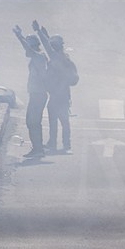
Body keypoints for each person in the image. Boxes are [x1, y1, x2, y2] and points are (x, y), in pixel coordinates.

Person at [33, 20, 78, 154]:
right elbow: (49, 45)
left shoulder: (56, 57)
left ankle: (59, 143)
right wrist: (44, 34)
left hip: (59, 94)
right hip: (61, 94)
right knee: (60, 119)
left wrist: (39, 32)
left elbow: (47, 46)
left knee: (60, 119)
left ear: (56, 46)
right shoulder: (63, 57)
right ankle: (61, 143)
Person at [14, 25, 49, 158]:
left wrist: (19, 36)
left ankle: (38, 149)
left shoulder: (39, 56)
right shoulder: (38, 57)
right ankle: (37, 147)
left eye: (29, 45)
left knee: (33, 121)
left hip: (39, 94)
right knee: (32, 121)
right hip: (36, 93)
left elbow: (27, 49)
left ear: (33, 45)